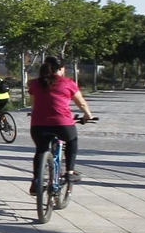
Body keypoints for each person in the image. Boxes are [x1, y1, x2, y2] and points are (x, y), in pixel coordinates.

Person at [27, 54, 94, 194]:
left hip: (38, 125)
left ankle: (36, 182)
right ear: (61, 68)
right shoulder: (68, 83)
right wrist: (88, 115)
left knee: (41, 150)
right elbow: (80, 103)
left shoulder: (34, 83)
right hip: (62, 123)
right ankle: (69, 171)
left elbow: (33, 104)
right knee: (72, 140)